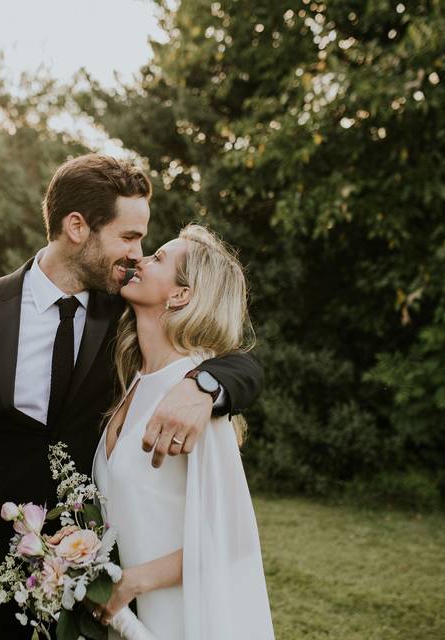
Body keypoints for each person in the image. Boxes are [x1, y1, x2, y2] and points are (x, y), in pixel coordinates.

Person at [0, 154, 264, 639]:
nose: (138, 253)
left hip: (94, 583)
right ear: (77, 227)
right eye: (129, 236)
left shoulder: (125, 309)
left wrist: (204, 385)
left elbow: (240, 360)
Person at [89, 224, 274, 639]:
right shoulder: (132, 383)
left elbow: (234, 540)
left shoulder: (193, 399)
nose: (141, 259)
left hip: (181, 616)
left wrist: (137, 581)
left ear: (180, 295)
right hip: (128, 619)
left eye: (158, 259)